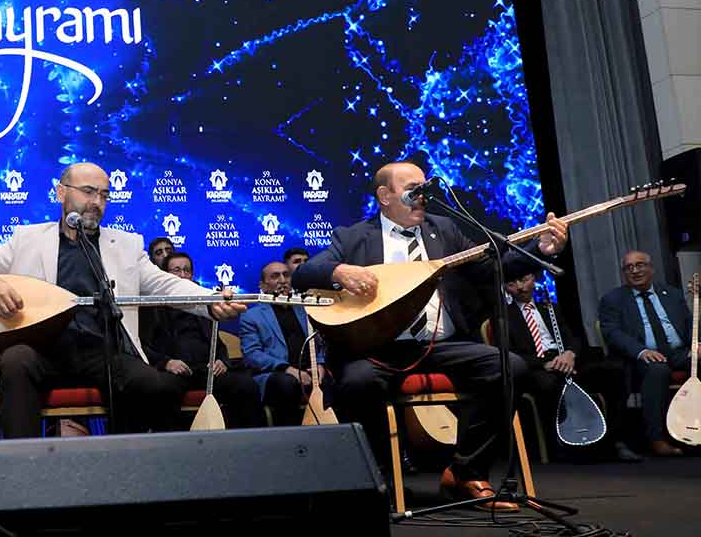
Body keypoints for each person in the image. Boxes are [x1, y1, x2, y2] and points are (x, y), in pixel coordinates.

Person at [292, 161, 568, 511]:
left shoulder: (445, 230)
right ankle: (380, 478)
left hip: (442, 344)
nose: (422, 197)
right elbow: (304, 274)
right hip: (380, 349)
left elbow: (492, 267)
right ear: (384, 196)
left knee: (509, 367)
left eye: (424, 188)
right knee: (357, 380)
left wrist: (540, 251)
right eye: (412, 190)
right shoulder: (354, 237)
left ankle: (465, 473)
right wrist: (339, 271)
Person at [0, 162, 245, 438]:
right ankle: (24, 463)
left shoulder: (126, 245)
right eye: (88, 191)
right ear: (61, 193)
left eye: (104, 195)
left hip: (103, 351)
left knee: (152, 384)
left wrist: (210, 301)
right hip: (41, 350)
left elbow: (164, 285)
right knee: (14, 360)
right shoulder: (28, 239)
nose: (97, 202)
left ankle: (128, 466)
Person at [503, 272, 640, 462]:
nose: (520, 287)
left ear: (533, 281)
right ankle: (565, 444)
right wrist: (544, 363)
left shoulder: (551, 308)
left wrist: (570, 354)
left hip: (566, 358)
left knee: (615, 372)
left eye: (524, 280)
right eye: (512, 283)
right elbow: (508, 353)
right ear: (506, 288)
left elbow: (574, 338)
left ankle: (614, 441)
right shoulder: (504, 317)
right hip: (537, 366)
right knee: (549, 385)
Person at [143, 252, 264, 428]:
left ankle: (249, 440)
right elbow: (141, 346)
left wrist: (222, 361)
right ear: (165, 276)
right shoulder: (151, 307)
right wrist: (166, 363)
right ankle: (174, 443)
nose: (183, 275)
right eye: (176, 270)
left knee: (245, 385)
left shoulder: (205, 303)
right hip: (172, 371)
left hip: (206, 370)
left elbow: (218, 342)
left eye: (187, 270)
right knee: (162, 390)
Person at [598, 250, 694, 457]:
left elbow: (689, 325)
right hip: (640, 358)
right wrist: (641, 351)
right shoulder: (613, 300)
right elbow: (612, 333)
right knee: (658, 370)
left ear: (651, 268)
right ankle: (657, 439)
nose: (635, 270)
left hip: (678, 353)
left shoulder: (672, 294)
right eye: (629, 267)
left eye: (640, 265)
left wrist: (697, 344)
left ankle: (694, 432)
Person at [240, 261, 333, 425]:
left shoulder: (306, 309)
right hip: (276, 374)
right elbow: (252, 355)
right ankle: (291, 437)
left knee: (336, 381)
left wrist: (319, 364)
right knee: (287, 384)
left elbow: (321, 342)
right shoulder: (251, 316)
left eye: (286, 275)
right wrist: (288, 370)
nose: (282, 280)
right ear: (263, 286)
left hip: (310, 370)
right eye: (275, 276)